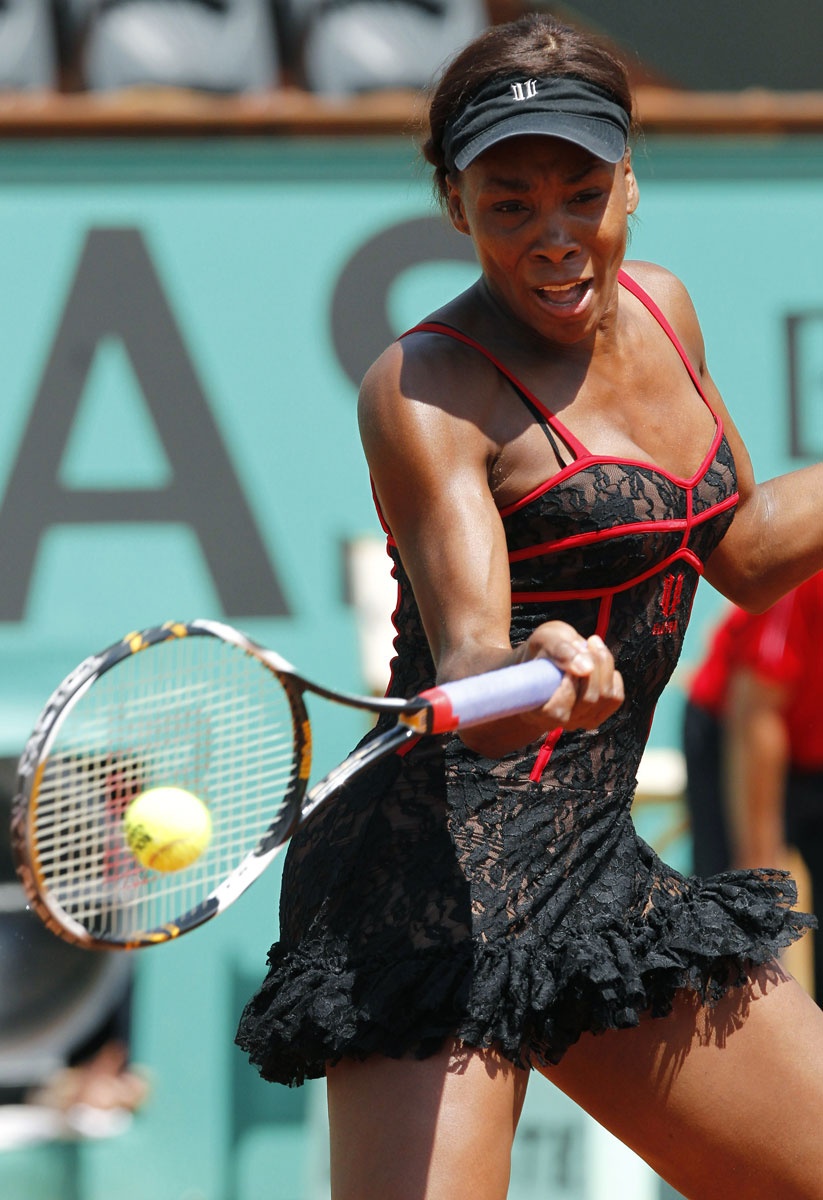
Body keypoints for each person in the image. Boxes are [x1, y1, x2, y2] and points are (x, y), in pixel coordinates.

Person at [236, 14, 823, 1199]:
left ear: (629, 183)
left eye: (582, 194)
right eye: (509, 205)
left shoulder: (664, 309)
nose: (554, 236)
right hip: (426, 884)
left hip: (590, 861)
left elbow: (745, 553)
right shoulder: (423, 387)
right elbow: (471, 664)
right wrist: (533, 662)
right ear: (454, 206)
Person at [684, 574, 823, 1003]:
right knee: (741, 915)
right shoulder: (810, 574)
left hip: (812, 741)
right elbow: (758, 707)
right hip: (737, 725)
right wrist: (757, 865)